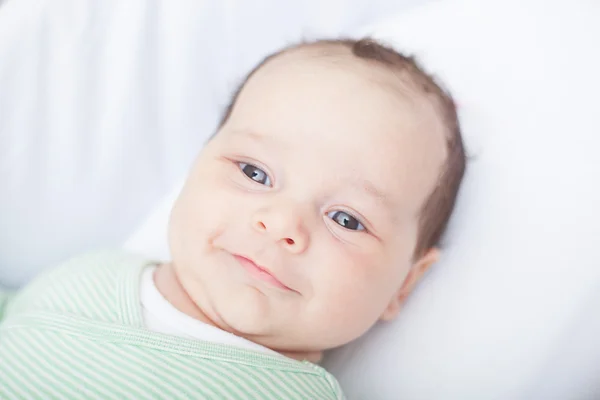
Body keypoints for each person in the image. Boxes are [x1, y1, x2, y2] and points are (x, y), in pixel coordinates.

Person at [0, 37, 466, 399]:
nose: (282, 223)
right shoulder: (92, 269)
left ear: (405, 283)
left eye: (346, 219)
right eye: (254, 172)